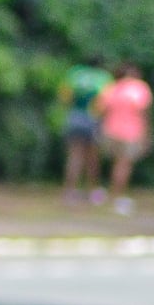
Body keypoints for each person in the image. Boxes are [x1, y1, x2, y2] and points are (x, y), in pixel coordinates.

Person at [94, 62, 153, 214]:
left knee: (114, 164)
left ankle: (105, 192)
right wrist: (147, 134)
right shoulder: (139, 88)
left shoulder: (111, 88)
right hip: (131, 132)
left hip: (110, 130)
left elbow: (100, 110)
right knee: (123, 165)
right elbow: (144, 113)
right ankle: (117, 196)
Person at [58, 58, 111, 204]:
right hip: (93, 119)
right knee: (93, 157)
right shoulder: (103, 77)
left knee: (74, 156)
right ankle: (93, 191)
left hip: (75, 117)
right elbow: (104, 101)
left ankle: (69, 191)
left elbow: (64, 96)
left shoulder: (75, 73)